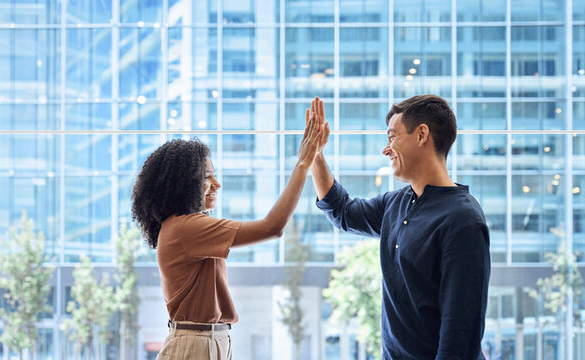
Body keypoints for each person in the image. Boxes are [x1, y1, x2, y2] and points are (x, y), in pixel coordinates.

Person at [131, 111, 329, 359]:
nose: (216, 184)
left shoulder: (187, 227)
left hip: (209, 340)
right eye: (206, 177)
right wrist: (303, 164)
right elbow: (272, 227)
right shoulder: (186, 228)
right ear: (185, 184)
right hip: (196, 344)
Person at [308, 95, 490, 359]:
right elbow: (342, 211)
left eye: (392, 137)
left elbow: (460, 333)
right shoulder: (396, 203)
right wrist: (315, 155)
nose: (386, 149)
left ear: (422, 134)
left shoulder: (463, 219)